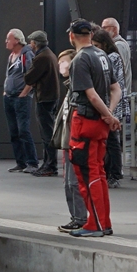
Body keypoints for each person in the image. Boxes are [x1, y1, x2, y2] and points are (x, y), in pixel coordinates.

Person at [66, 19, 121, 237]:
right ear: (90, 34)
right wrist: (109, 114)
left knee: (87, 173)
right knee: (98, 170)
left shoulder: (80, 59)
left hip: (86, 122)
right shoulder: (102, 55)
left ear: (72, 36)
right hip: (99, 123)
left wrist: (107, 115)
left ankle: (95, 223)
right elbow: (115, 89)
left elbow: (91, 95)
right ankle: (103, 221)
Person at [52, 48, 87, 232]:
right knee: (68, 182)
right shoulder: (69, 87)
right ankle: (76, 217)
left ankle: (80, 218)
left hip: (75, 140)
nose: (61, 66)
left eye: (64, 62)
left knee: (74, 182)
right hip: (68, 141)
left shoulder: (77, 88)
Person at [92, 28, 129, 188]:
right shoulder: (110, 56)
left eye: (97, 45)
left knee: (113, 140)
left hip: (113, 103)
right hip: (111, 102)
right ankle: (110, 172)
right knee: (110, 139)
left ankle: (114, 173)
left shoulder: (110, 57)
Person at [22, 31, 59, 175]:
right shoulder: (50, 54)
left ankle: (50, 165)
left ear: (35, 43)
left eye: (31, 42)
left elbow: (29, 78)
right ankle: (49, 164)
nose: (30, 44)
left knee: (46, 134)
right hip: (52, 97)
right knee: (48, 132)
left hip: (45, 98)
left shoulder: (41, 58)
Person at [2, 28, 39, 173]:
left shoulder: (26, 54)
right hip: (9, 97)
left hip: (21, 98)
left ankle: (32, 162)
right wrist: (5, 91)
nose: (6, 41)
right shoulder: (11, 55)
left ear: (16, 40)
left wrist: (24, 93)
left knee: (23, 130)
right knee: (14, 131)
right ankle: (21, 162)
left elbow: (32, 76)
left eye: (8, 39)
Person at [101, 18, 133, 93]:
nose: (102, 31)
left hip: (120, 93)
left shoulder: (118, 45)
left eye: (104, 28)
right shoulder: (119, 43)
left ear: (114, 29)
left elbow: (119, 70)